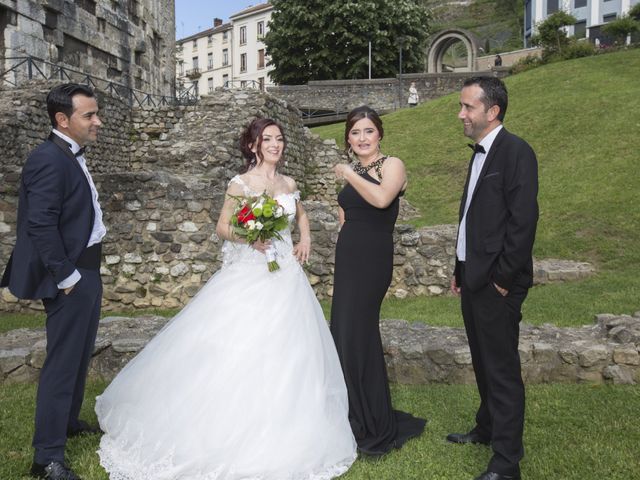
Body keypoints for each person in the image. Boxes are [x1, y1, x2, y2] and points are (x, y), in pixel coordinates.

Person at [95, 118, 357, 480]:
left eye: (279, 139)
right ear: (253, 145)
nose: (275, 145)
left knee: (291, 349)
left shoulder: (289, 183)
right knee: (241, 347)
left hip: (286, 276)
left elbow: (299, 213)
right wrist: (250, 238)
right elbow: (222, 226)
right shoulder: (241, 183)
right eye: (268, 139)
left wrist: (305, 238)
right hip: (250, 272)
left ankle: (288, 424)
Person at [0, 83, 105, 480]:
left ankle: (67, 422)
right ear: (63, 120)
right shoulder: (47, 158)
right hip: (72, 275)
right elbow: (39, 224)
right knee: (63, 363)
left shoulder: (70, 155)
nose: (98, 121)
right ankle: (46, 458)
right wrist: (67, 277)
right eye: (89, 115)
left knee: (79, 356)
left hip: (87, 270)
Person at [448, 77, 538, 480]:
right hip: (473, 277)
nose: (461, 114)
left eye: (468, 107)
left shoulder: (517, 152)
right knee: (483, 362)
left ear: (492, 111)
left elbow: (523, 223)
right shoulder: (479, 153)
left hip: (498, 284)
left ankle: (506, 462)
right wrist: (460, 267)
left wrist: (503, 279)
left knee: (501, 370)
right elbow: (473, 218)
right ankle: (486, 429)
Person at [331, 106, 426, 456]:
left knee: (360, 333)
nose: (361, 138)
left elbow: (383, 198)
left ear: (379, 134)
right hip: (349, 256)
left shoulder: (393, 165)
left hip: (372, 259)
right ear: (348, 138)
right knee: (343, 332)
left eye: (368, 131)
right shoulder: (355, 171)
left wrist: (346, 172)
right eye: (355, 133)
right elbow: (347, 214)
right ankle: (352, 413)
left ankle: (374, 421)